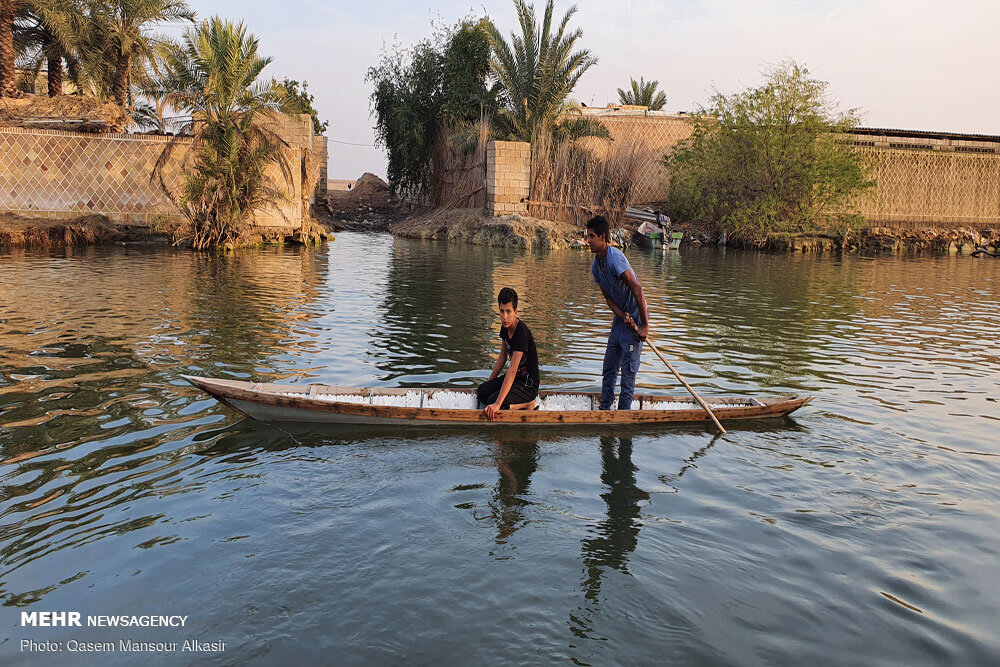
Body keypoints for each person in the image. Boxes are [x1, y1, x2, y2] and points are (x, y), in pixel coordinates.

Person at [585, 215, 650, 410]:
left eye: (591, 236)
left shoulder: (615, 259)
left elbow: (637, 289)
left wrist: (644, 325)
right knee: (610, 366)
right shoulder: (596, 266)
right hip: (621, 320)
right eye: (587, 236)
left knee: (628, 372)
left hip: (636, 320)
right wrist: (622, 317)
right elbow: (608, 298)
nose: (587, 241)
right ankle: (605, 409)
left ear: (602, 237)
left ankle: (623, 414)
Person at [476, 287, 540, 421]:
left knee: (493, 402)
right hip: (517, 378)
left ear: (515, 312)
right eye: (502, 311)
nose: (504, 317)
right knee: (482, 392)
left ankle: (528, 403)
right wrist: (490, 384)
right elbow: (502, 358)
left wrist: (497, 404)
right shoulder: (504, 328)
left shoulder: (521, 332)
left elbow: (512, 370)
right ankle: (497, 397)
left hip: (528, 385)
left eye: (508, 312)